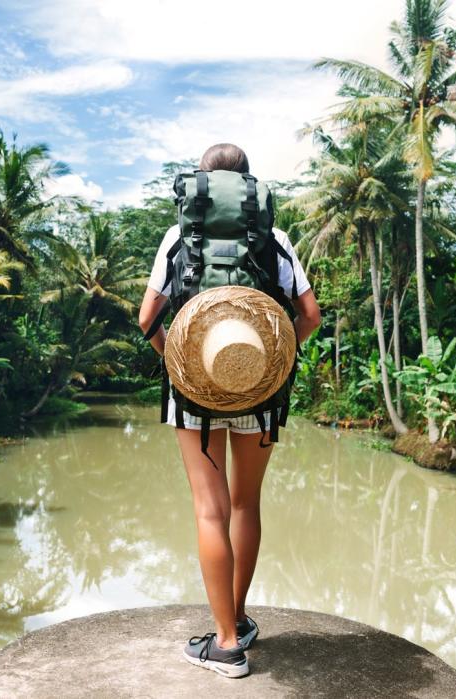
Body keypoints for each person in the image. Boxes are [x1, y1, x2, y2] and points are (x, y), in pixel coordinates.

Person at [137, 143, 321, 677]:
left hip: (194, 392)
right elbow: (309, 314)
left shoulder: (180, 236)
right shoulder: (273, 238)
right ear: (247, 188)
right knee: (245, 504)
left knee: (209, 510)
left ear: (202, 184)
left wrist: (179, 357)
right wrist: (278, 358)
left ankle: (224, 646)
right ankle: (237, 620)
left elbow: (148, 314)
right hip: (260, 387)